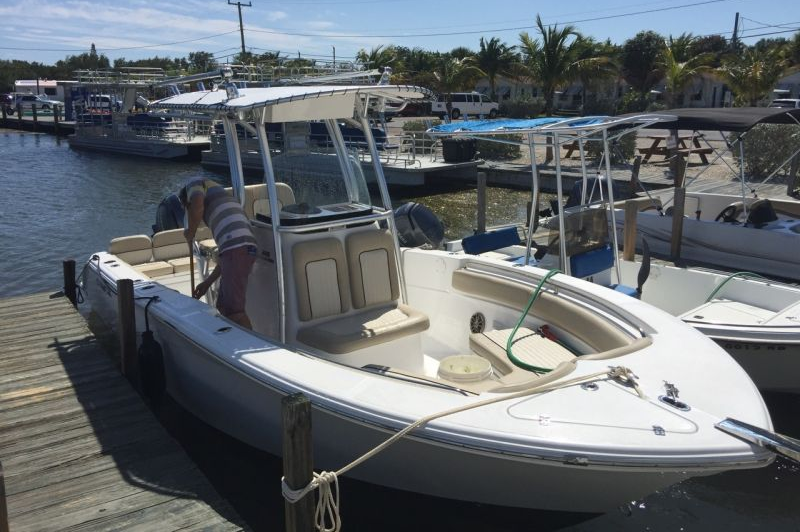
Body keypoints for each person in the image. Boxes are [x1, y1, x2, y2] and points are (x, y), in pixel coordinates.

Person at [180, 177, 257, 329]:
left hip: (237, 246)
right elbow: (227, 259)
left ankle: (250, 346)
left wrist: (190, 232)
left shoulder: (194, 183)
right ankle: (234, 341)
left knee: (234, 311)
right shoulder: (218, 195)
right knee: (223, 306)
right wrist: (207, 283)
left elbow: (197, 206)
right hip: (242, 247)